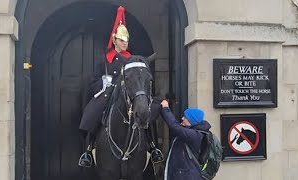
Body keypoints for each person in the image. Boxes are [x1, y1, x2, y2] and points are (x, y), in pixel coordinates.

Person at [78, 6, 164, 168]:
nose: (125, 43)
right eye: (122, 40)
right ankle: (89, 150)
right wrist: (103, 83)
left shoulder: (133, 59)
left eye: (127, 40)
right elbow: (92, 82)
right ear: (114, 40)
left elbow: (141, 78)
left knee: (146, 110)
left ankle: (153, 147)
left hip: (130, 94)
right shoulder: (104, 60)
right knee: (94, 111)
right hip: (109, 93)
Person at [160, 100, 211, 180]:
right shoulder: (194, 132)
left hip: (187, 176)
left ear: (192, 121)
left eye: (185, 117)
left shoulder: (194, 135)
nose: (182, 118)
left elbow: (175, 127)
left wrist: (165, 108)